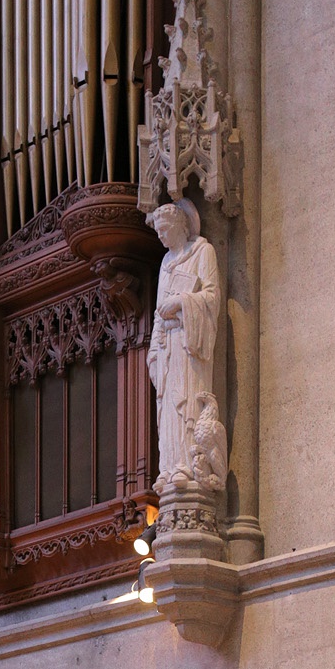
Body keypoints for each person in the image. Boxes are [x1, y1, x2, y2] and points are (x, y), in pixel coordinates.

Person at [147, 199, 221, 492]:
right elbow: (158, 312)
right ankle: (169, 466)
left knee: (187, 401)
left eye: (165, 229)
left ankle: (187, 466)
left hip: (190, 342)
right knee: (168, 408)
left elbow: (212, 297)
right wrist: (154, 351)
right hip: (167, 344)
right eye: (158, 232)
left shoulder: (203, 251)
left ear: (181, 225)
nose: (161, 236)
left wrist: (181, 301)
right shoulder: (165, 263)